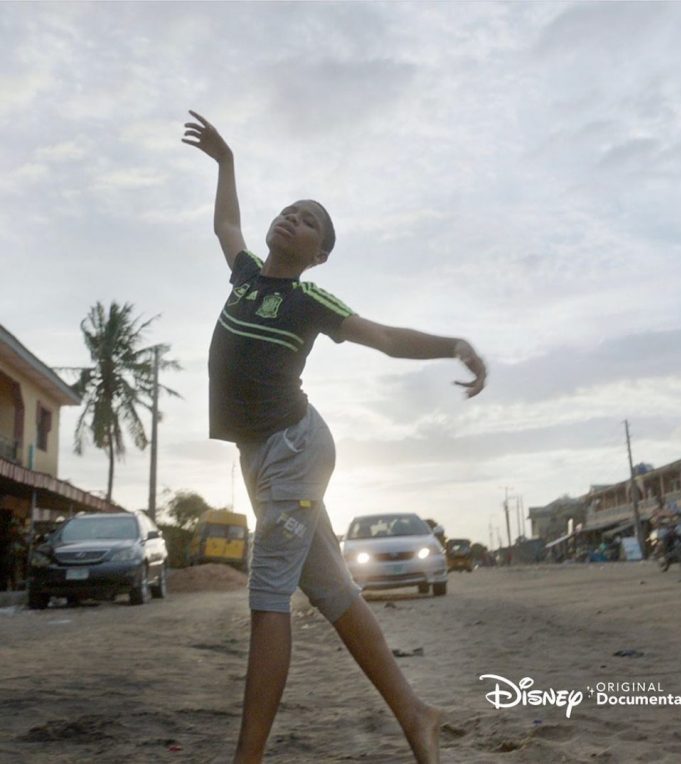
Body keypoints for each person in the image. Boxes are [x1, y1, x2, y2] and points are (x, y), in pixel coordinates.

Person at [182, 111, 487, 764]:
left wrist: (454, 345)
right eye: (289, 211)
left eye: (309, 220)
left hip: (293, 451)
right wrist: (227, 161)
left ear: (319, 253)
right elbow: (226, 225)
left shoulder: (310, 300)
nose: (293, 218)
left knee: (269, 600)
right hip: (258, 456)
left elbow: (386, 339)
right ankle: (417, 715)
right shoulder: (245, 276)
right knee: (333, 592)